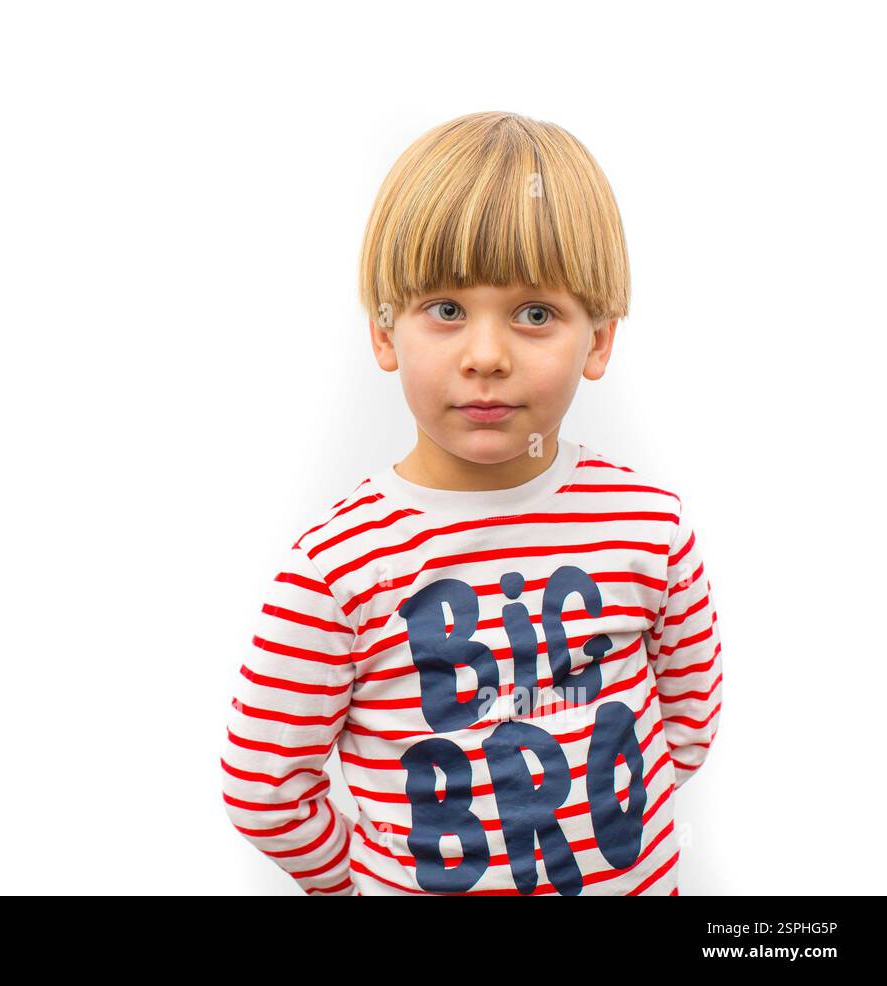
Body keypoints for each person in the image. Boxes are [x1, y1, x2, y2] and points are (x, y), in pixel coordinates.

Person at [219, 111, 723, 896]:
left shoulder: (648, 523)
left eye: (535, 315)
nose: (486, 356)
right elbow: (263, 787)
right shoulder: (336, 569)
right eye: (446, 310)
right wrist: (350, 884)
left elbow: (687, 720)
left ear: (598, 341)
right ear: (386, 335)